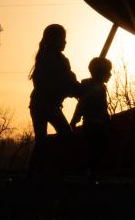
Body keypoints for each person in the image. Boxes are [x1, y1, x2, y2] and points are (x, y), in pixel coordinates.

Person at [27, 24, 80, 173]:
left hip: (38, 105)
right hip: (47, 106)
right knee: (67, 138)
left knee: (41, 142)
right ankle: (54, 171)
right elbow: (67, 82)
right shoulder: (58, 60)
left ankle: (34, 174)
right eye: (62, 39)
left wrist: (72, 89)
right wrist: (78, 90)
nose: (65, 42)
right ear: (53, 40)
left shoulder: (44, 57)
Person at [71, 57, 113, 175]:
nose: (110, 74)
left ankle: (92, 176)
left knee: (94, 153)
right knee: (95, 153)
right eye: (108, 71)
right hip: (94, 126)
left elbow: (82, 105)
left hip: (93, 125)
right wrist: (74, 120)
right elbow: (82, 104)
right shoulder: (94, 87)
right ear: (101, 72)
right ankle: (91, 176)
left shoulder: (96, 86)